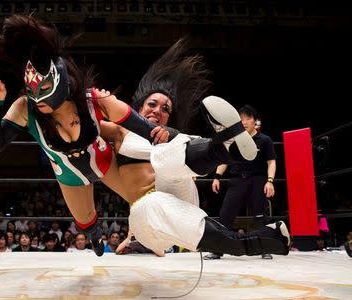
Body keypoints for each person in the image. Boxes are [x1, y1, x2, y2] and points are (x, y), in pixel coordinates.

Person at [0, 15, 172, 256]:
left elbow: (137, 123)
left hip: (103, 160)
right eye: (34, 95)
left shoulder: (91, 99)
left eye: (46, 94)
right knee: (86, 223)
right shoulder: (24, 108)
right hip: (68, 176)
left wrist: (164, 137)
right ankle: (94, 235)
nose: (40, 104)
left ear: (62, 86)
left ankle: (156, 235)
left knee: (144, 200)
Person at [101, 39, 290, 257]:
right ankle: (260, 240)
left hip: (180, 197)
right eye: (152, 104)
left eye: (165, 109)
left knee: (168, 149)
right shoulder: (120, 132)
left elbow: (179, 145)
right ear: (140, 107)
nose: (157, 111)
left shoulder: (172, 136)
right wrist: (93, 97)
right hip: (150, 218)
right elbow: (85, 127)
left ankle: (225, 148)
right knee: (145, 205)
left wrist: (171, 135)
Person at [205, 104, 277, 260]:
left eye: (248, 118)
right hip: (237, 181)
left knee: (260, 216)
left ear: (254, 121)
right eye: (241, 118)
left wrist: (270, 181)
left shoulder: (264, 140)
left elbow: (271, 162)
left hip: (258, 180)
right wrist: (217, 176)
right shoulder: (234, 141)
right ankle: (218, 250)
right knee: (225, 215)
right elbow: (224, 160)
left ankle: (264, 248)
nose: (244, 122)